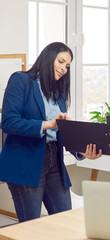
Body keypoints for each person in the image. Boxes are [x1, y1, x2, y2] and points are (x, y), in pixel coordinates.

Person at [0, 42, 102, 222]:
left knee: (64, 221)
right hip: (26, 162)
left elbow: (59, 130)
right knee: (31, 227)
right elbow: (8, 122)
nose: (64, 68)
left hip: (54, 159)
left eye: (67, 66)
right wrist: (47, 124)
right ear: (48, 57)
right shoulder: (21, 80)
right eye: (61, 61)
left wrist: (81, 151)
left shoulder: (59, 92)